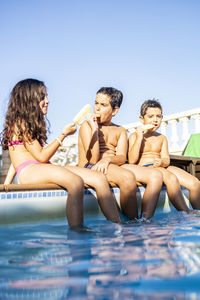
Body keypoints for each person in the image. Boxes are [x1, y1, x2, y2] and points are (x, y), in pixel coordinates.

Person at [1, 79, 121, 227]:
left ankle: (118, 226)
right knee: (75, 182)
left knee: (98, 178)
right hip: (30, 170)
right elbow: (40, 156)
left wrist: (6, 184)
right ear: (29, 100)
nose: (47, 101)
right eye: (42, 97)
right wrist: (63, 134)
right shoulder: (21, 123)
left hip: (41, 167)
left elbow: (17, 156)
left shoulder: (29, 123)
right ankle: (78, 233)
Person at [79, 87, 163, 220]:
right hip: (90, 166)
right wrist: (94, 131)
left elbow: (122, 157)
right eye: (96, 103)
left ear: (115, 110)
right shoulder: (86, 126)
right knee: (128, 177)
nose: (97, 108)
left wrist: (108, 160)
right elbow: (93, 160)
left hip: (112, 164)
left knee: (156, 176)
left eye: (103, 105)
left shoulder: (120, 130)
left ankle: (145, 221)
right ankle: (132, 223)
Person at [128, 99, 200, 211]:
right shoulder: (134, 136)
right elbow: (132, 161)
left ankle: (198, 211)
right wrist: (139, 138)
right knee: (171, 178)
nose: (155, 120)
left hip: (161, 166)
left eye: (159, 116)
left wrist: (162, 162)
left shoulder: (162, 138)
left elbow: (166, 159)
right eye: (151, 116)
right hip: (145, 168)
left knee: (195, 183)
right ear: (142, 119)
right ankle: (186, 211)